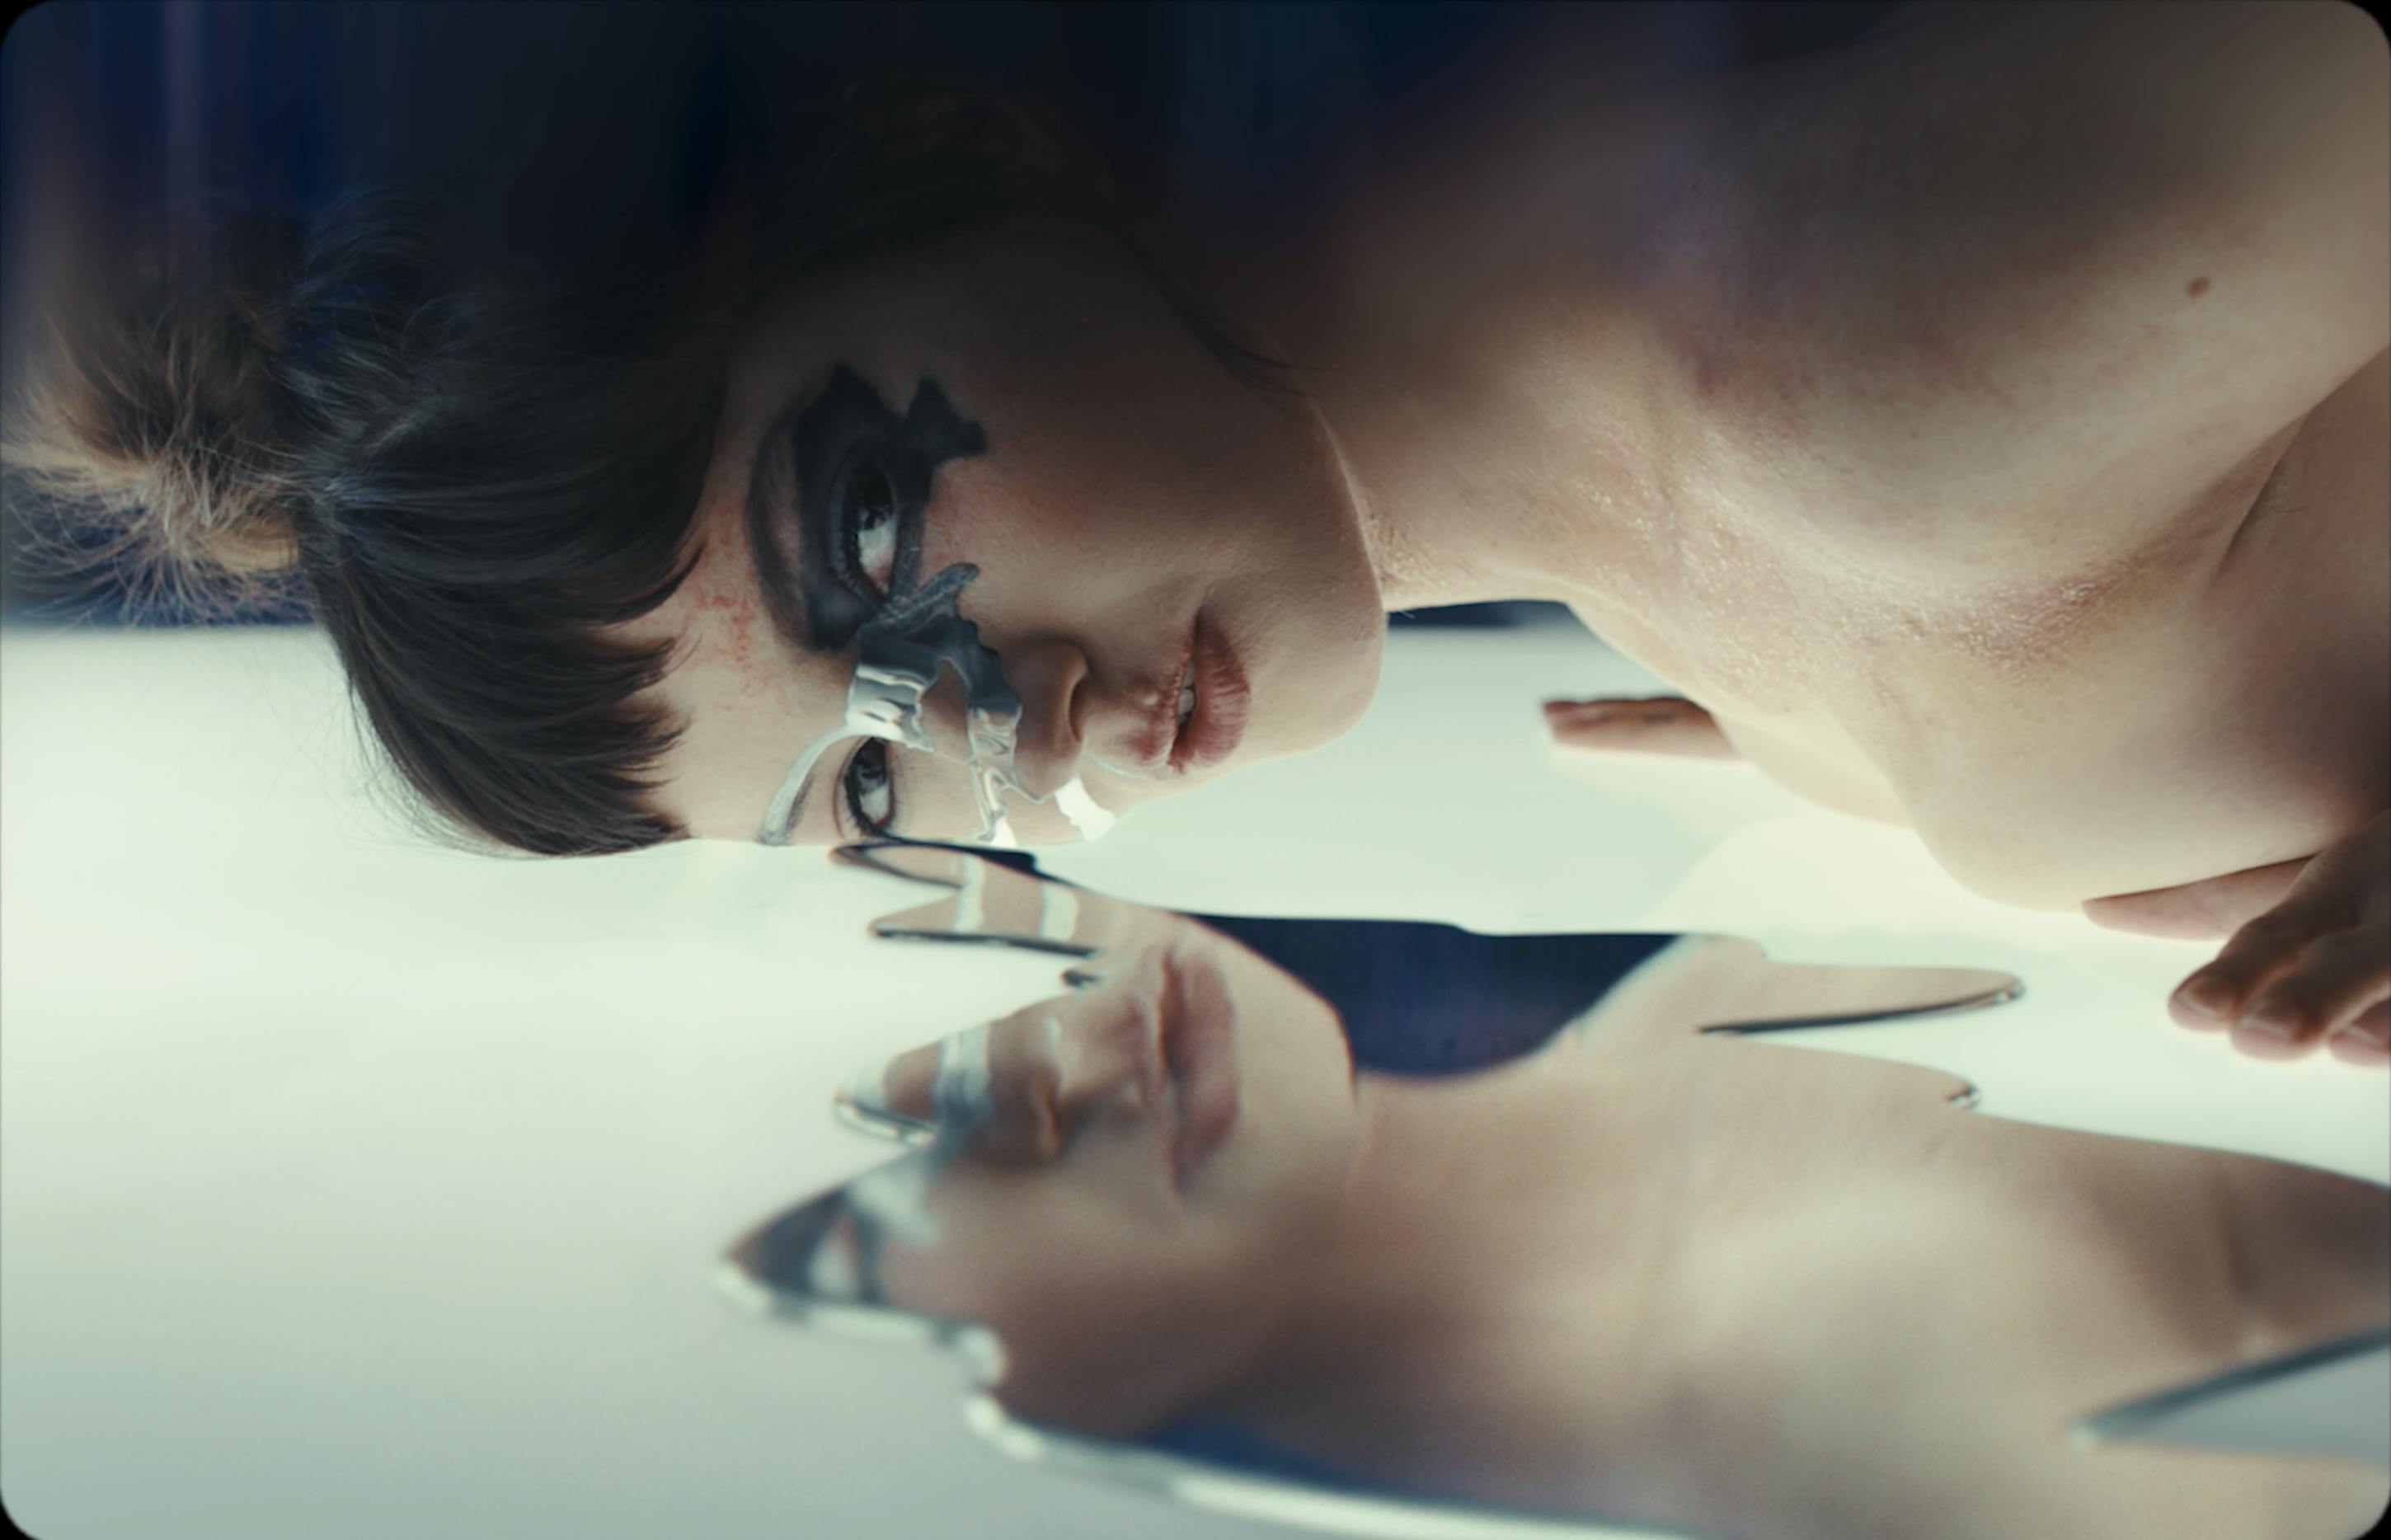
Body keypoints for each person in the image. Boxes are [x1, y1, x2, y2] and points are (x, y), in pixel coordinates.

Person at [7, 4, 2384, 1060]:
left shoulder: (1889, 342)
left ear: (890, 163)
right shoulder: (1745, 501)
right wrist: (1842, 736)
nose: (1011, 730)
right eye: (868, 778)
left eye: (860, 531)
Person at [734, 849, 2391, 1540]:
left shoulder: (1685, 938)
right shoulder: (1839, 1395)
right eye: (852, 1220)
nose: (1000, 1073)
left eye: (919, 1055)